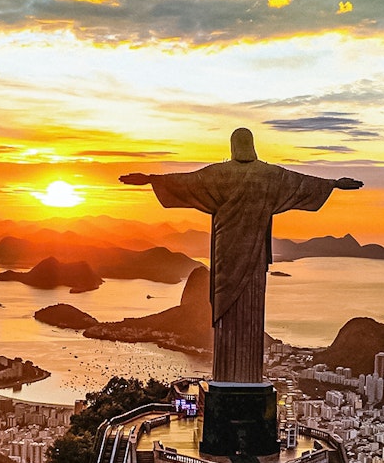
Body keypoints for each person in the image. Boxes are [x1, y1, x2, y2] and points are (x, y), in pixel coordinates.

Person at [121, 128, 361, 383]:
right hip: (255, 257)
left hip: (226, 253)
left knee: (227, 309)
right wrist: (333, 184)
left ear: (233, 145)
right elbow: (301, 183)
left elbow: (186, 182)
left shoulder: (219, 175)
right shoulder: (271, 176)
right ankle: (245, 376)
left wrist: (150, 179)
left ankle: (228, 377)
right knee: (251, 309)